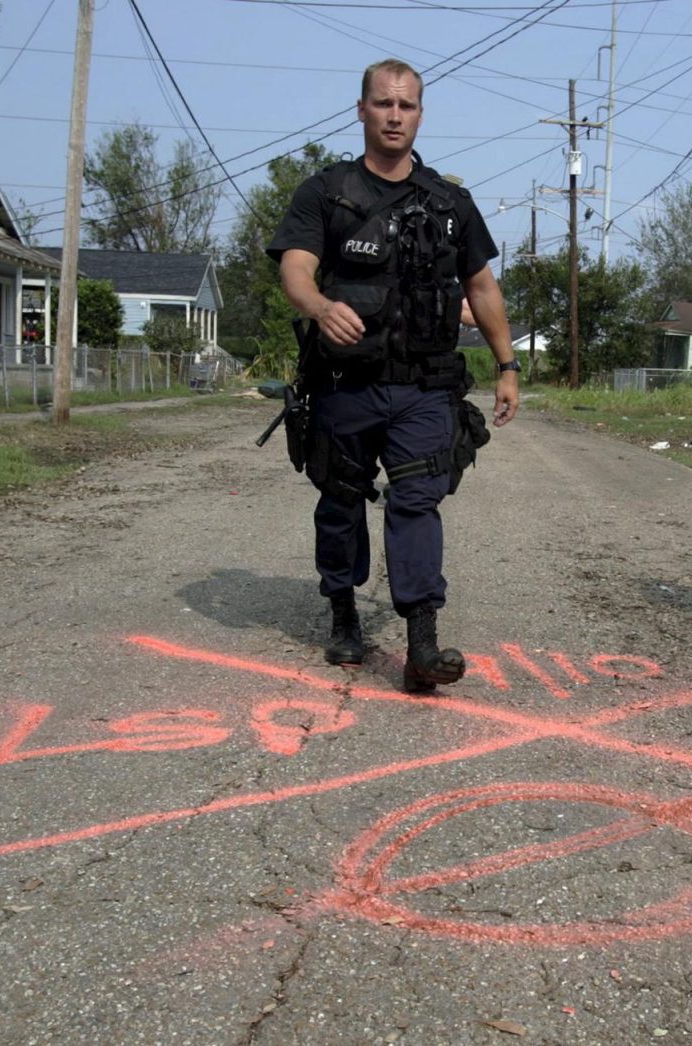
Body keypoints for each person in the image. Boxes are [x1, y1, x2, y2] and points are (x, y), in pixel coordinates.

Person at [266, 58, 521, 691]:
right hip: (344, 384)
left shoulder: (449, 203)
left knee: (417, 501)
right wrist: (322, 308)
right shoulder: (325, 193)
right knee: (342, 499)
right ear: (361, 110)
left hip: (424, 387)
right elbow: (295, 268)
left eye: (406, 106)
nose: (394, 115)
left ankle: (422, 644)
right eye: (383, 104)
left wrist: (508, 365)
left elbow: (482, 285)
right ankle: (344, 613)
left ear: (420, 115)